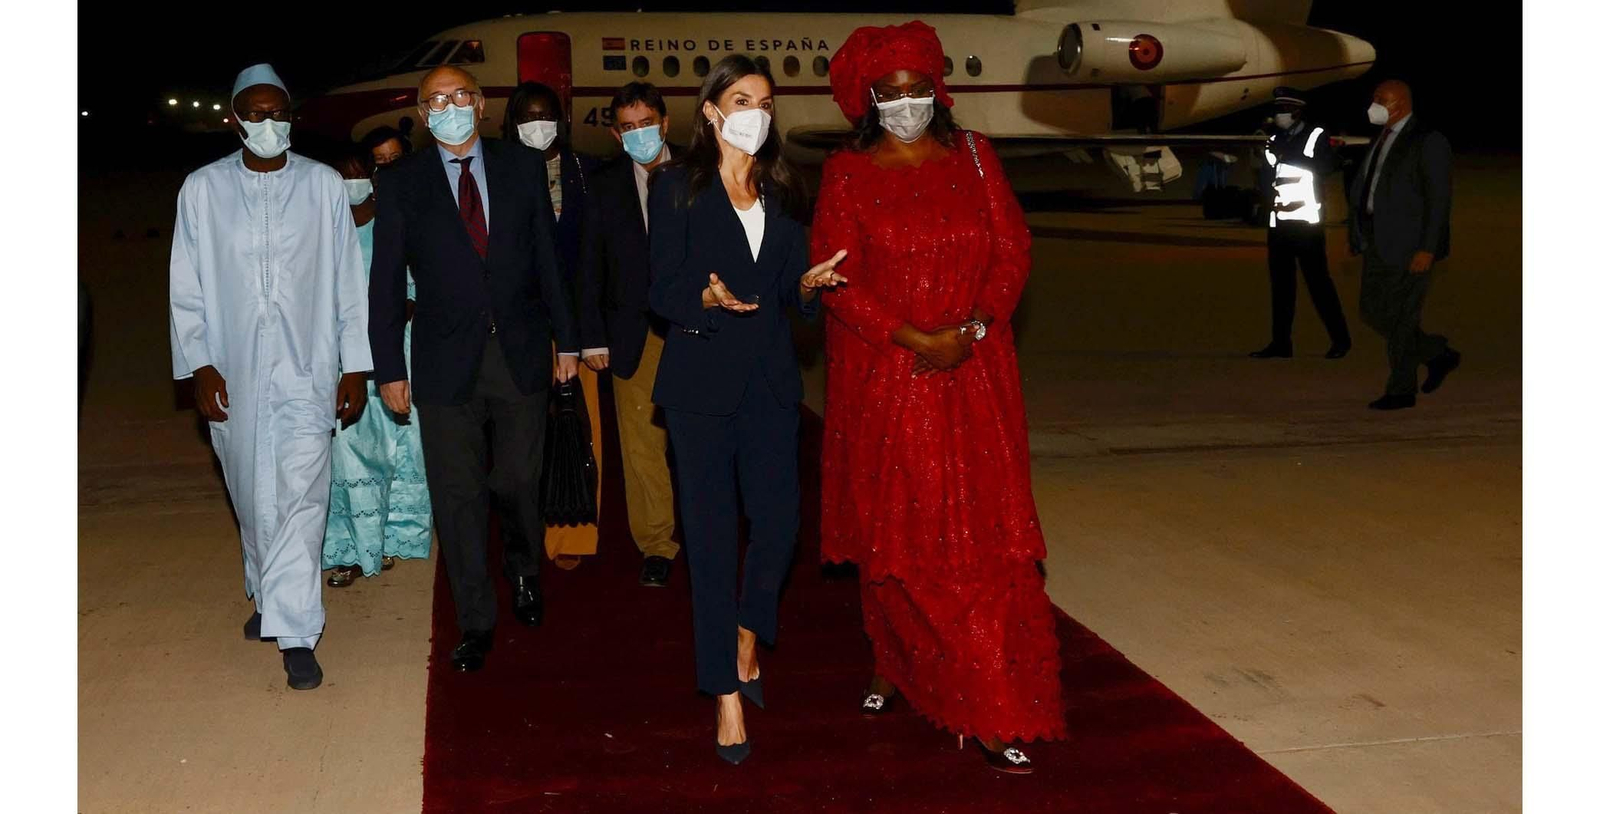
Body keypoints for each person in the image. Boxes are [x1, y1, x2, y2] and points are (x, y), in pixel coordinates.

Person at [811, 22, 1067, 774]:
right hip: (890, 379)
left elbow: (1013, 248)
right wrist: (914, 338)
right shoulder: (847, 174)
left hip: (978, 374)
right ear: (867, 101)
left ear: (938, 89)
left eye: (918, 89)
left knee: (982, 545)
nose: (906, 104)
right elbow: (836, 278)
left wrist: (976, 326)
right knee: (902, 538)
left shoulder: (979, 159)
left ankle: (991, 700)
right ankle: (895, 659)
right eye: (889, 94)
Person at [648, 55, 848, 764]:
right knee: (708, 544)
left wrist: (809, 287)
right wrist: (701, 300)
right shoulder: (677, 188)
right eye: (740, 99)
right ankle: (725, 695)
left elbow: (786, 293)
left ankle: (747, 631)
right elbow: (661, 290)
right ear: (710, 111)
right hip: (700, 391)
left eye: (764, 100)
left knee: (780, 524)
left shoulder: (785, 188)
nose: (754, 111)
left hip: (768, 386)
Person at [369, 66, 580, 673]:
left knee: (517, 479)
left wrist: (566, 340)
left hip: (518, 352)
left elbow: (546, 257)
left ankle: (524, 566)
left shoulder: (519, 166)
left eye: (460, 95)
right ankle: (476, 620)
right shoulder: (402, 182)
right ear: (423, 112)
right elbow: (385, 282)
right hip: (442, 362)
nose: (450, 106)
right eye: (436, 100)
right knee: (457, 496)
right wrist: (388, 365)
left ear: (481, 104)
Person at [169, 64, 370, 690]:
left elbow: (346, 283)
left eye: (276, 112)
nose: (266, 123)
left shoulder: (322, 187)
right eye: (253, 113)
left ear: (292, 116)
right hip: (231, 370)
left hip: (309, 367)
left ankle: (297, 629)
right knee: (253, 490)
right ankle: (267, 590)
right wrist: (197, 361)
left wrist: (356, 363)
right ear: (234, 119)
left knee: (303, 496)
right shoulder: (201, 190)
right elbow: (186, 286)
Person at [578, 81, 682, 587]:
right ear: (617, 135)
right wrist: (593, 335)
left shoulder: (702, 173)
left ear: (664, 123)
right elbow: (589, 267)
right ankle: (657, 544)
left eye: (647, 123)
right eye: (628, 127)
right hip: (632, 334)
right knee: (642, 446)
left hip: (698, 330)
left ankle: (711, 531)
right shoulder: (603, 185)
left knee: (700, 442)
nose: (639, 134)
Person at [501, 81, 604, 568]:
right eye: (526, 116)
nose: (537, 124)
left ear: (562, 118)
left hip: (577, 323)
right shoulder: (498, 173)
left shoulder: (587, 172)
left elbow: (597, 258)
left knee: (579, 429)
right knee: (522, 439)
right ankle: (524, 529)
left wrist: (585, 331)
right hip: (519, 325)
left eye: (545, 114)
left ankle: (572, 532)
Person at [321, 150, 433, 588]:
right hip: (341, 361)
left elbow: (413, 288)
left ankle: (391, 539)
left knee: (398, 449)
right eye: (342, 174)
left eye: (358, 174)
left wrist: (384, 322)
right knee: (345, 456)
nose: (352, 182)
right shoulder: (325, 232)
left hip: (392, 351)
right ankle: (349, 548)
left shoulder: (393, 224)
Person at [1346, 79, 1460, 411]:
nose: (1374, 104)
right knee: (1372, 311)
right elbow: (1371, 186)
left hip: (1410, 245)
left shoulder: (1428, 141)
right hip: (1377, 241)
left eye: (1381, 99)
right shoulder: (1382, 138)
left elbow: (1439, 201)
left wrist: (1428, 248)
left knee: (1402, 318)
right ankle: (1436, 353)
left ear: (1401, 103)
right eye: (1374, 98)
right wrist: (1357, 232)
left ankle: (1401, 390)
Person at [1249, 87, 1352, 360]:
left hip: (1306, 223)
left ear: (1297, 111)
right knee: (1281, 288)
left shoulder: (1316, 135)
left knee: (1319, 284)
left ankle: (1341, 340)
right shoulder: (1273, 139)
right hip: (1279, 223)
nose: (1279, 115)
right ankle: (1281, 343)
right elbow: (1267, 177)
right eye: (1277, 110)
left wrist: (1288, 154)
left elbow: (1327, 166)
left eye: (1284, 110)